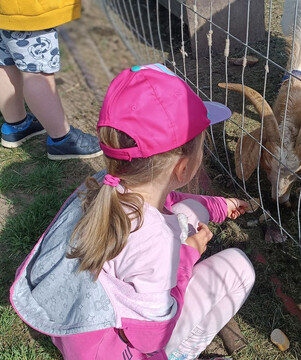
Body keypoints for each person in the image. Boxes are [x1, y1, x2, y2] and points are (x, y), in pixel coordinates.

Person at [10, 64, 256, 360]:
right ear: (183, 168)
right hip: (119, 351)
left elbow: (168, 199)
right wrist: (187, 256)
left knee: (181, 212)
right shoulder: (157, 242)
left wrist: (218, 206)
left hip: (80, 328)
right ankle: (180, 356)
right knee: (239, 268)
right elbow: (151, 336)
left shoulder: (103, 186)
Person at [0, 0, 102, 159]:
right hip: (28, 10)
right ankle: (62, 139)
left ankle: (17, 125)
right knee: (37, 73)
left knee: (5, 63)